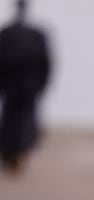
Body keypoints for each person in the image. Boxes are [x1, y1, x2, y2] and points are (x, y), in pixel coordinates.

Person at [0, 0, 51, 174]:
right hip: (26, 86)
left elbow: (45, 63)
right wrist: (42, 84)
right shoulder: (36, 34)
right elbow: (46, 63)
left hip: (15, 86)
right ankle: (15, 154)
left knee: (16, 121)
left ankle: (13, 154)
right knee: (21, 122)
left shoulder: (7, 33)